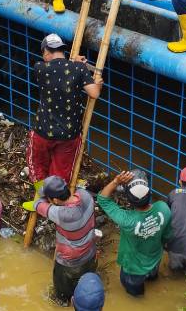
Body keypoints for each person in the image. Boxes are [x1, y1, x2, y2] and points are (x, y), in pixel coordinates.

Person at [27, 33, 103, 188]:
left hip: (43, 130)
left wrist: (73, 64)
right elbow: (94, 93)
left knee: (38, 164)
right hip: (69, 134)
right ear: (62, 49)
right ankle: (56, 198)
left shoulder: (39, 68)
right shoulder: (79, 68)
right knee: (61, 170)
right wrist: (98, 83)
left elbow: (59, 72)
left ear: (46, 52)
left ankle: (40, 196)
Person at [22, 176, 97, 304]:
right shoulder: (85, 195)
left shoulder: (61, 214)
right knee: (85, 289)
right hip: (90, 253)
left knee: (62, 298)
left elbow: (37, 204)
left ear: (55, 200)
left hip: (69, 263)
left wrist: (43, 196)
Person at [96, 169, 172, 296]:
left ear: (129, 200)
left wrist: (116, 181)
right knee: (153, 278)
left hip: (133, 269)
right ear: (149, 194)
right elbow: (167, 235)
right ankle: (152, 279)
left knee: (135, 295)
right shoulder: (163, 208)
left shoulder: (127, 220)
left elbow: (102, 199)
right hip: (155, 258)